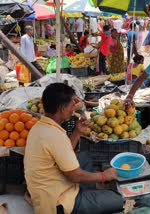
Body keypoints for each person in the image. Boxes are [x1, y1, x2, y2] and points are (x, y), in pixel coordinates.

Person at [24, 83, 124, 214]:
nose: (74, 109)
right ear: (62, 109)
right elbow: (75, 176)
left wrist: (77, 132)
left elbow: (62, 152)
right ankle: (81, 203)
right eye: (72, 105)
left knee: (84, 157)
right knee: (117, 199)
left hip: (48, 188)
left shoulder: (40, 127)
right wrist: (104, 176)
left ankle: (87, 198)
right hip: (56, 203)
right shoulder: (54, 135)